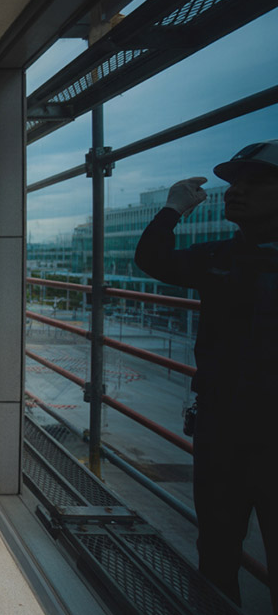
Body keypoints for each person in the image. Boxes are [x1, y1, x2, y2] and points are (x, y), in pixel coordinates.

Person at [134, 139, 278, 612]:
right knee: (216, 550)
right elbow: (152, 259)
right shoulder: (222, 255)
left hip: (240, 428)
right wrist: (172, 209)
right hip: (224, 427)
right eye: (234, 183)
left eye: (255, 182)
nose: (236, 191)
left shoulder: (222, 260)